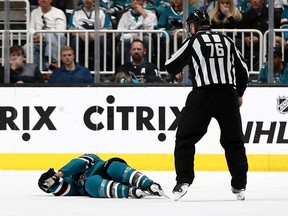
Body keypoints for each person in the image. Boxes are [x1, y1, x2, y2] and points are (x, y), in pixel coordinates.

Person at [165, 10, 249, 201]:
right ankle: (239, 185)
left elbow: (170, 65)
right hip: (228, 94)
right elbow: (243, 70)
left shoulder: (194, 41)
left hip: (202, 94)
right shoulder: (227, 41)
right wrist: (240, 93)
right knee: (234, 141)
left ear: (193, 26)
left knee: (185, 139)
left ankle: (183, 181)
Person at [38, 153, 166, 198]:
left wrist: (60, 173)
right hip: (97, 185)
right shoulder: (71, 181)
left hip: (106, 169)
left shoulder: (89, 158)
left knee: (114, 166)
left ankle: (148, 184)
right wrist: (50, 187)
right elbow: (65, 189)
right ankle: (130, 192)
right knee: (90, 184)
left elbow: (78, 163)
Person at [68, 0, 112, 70]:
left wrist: (97, 34)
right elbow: (70, 28)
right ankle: (79, 69)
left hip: (98, 38)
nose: (87, 0)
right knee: (75, 41)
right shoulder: (75, 12)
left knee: (103, 41)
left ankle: (100, 70)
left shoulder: (102, 12)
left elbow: (108, 28)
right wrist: (80, 34)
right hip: (81, 38)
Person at [29, 0, 67, 70]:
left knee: (50, 35)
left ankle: (53, 62)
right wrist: (35, 34)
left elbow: (61, 32)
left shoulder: (59, 12)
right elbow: (31, 28)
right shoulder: (34, 12)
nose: (43, 0)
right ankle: (38, 71)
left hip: (57, 42)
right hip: (40, 42)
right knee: (28, 47)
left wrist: (43, 35)